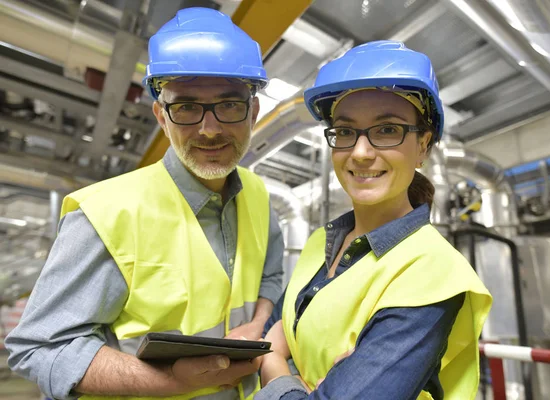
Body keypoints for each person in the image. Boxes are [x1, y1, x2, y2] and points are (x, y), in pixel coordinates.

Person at [5, 7, 284, 400]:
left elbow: (270, 276)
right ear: (160, 116)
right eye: (186, 106)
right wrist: (171, 381)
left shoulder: (257, 195)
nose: (210, 128)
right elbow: (42, 347)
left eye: (229, 105)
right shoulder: (105, 213)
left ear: (253, 112)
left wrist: (257, 323)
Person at [256, 40, 493, 400]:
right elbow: (280, 328)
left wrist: (274, 366)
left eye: (387, 130)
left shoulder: (433, 272)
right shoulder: (323, 241)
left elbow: (274, 347)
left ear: (424, 145)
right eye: (346, 132)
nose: (361, 152)